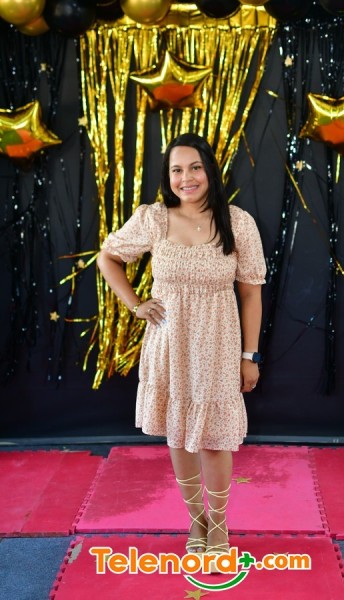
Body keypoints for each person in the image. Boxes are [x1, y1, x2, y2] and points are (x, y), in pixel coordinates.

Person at [97, 132, 266, 566]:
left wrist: (250, 356)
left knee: (215, 440)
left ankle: (220, 521)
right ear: (167, 176)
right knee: (179, 435)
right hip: (169, 344)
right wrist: (135, 304)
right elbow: (107, 257)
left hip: (219, 345)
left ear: (210, 170)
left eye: (194, 167)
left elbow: (251, 294)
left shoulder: (237, 222)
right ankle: (197, 520)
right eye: (176, 169)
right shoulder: (153, 218)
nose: (186, 177)